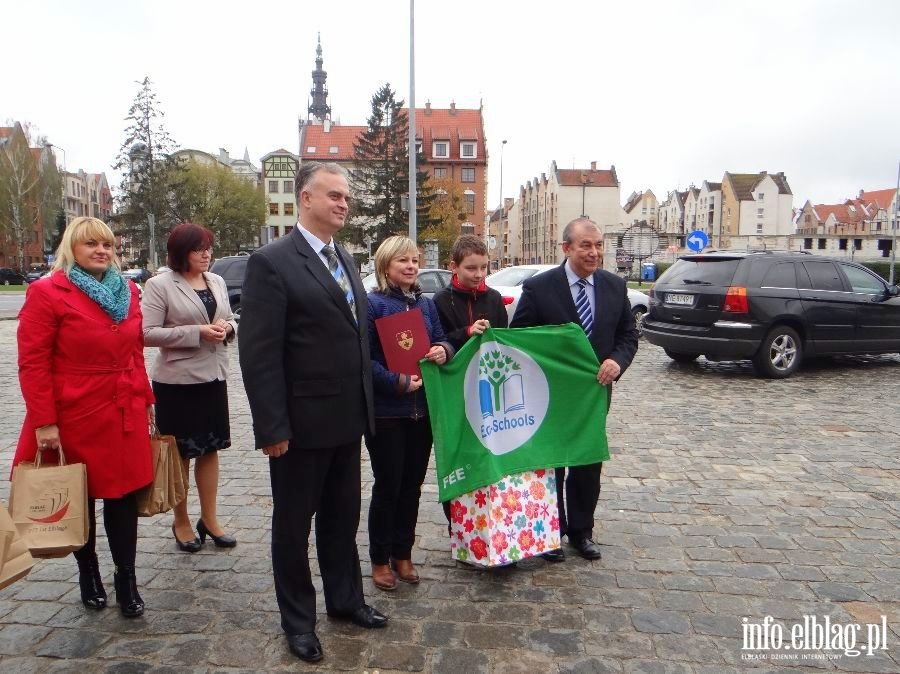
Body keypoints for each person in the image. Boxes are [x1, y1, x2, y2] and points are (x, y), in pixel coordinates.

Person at [239, 162, 385, 664]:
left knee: (342, 521)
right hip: (300, 427)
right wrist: (272, 426)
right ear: (305, 198)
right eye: (334, 195)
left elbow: (356, 337)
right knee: (294, 526)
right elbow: (259, 354)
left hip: (347, 420)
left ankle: (346, 601)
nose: (343, 203)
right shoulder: (273, 261)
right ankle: (298, 621)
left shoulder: (344, 256)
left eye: (347, 196)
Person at [14, 216, 154, 618]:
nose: (101, 251)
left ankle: (126, 577)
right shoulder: (47, 292)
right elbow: (33, 363)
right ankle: (88, 572)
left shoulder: (127, 290)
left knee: (124, 498)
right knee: (83, 495)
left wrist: (146, 397)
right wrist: (44, 421)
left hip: (123, 409)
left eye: (107, 245)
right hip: (74, 411)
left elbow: (134, 350)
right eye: (91, 244)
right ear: (71, 248)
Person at [510, 217, 638, 561]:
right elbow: (519, 338)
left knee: (586, 463)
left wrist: (617, 361)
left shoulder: (614, 286)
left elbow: (628, 335)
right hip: (550, 394)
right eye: (586, 245)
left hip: (594, 395)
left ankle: (582, 531)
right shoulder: (540, 288)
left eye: (598, 245)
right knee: (551, 463)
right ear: (566, 248)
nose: (594, 252)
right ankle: (550, 532)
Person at [142, 223, 238, 554]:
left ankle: (210, 519)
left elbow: (230, 317)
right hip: (177, 383)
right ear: (181, 253)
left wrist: (228, 326)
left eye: (209, 247)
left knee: (210, 450)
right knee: (181, 453)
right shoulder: (159, 285)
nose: (207, 254)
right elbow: (147, 333)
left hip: (213, 377)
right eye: (199, 249)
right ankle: (181, 521)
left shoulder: (217, 281)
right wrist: (196, 331)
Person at [366, 236, 453, 591]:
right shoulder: (373, 305)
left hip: (423, 413)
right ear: (386, 266)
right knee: (388, 487)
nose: (411, 266)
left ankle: (403, 553)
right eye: (403, 260)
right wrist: (396, 382)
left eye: (415, 260)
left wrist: (443, 350)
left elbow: (444, 339)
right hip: (389, 412)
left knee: (412, 488)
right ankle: (378, 558)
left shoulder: (426, 304)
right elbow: (365, 362)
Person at [432, 234, 508, 529]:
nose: (479, 275)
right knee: (460, 459)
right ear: (454, 267)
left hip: (490, 391)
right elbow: (435, 342)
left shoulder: (494, 299)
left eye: (484, 268)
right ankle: (461, 526)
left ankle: (494, 525)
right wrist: (466, 332)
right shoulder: (439, 301)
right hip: (455, 395)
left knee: (490, 458)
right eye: (471, 268)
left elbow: (505, 339)